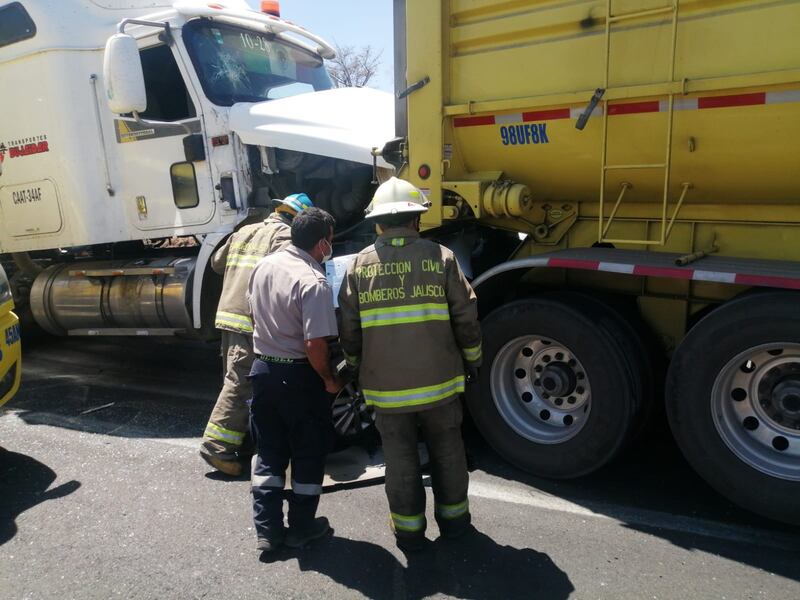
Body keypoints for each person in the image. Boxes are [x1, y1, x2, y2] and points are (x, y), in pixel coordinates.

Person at [338, 177, 483, 552]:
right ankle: (455, 524)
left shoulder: (358, 267)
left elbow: (349, 330)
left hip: (386, 389)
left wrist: (353, 365)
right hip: (440, 384)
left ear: (377, 224)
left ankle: (409, 533)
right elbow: (466, 318)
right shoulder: (442, 258)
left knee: (400, 458)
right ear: (417, 220)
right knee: (448, 450)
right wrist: (474, 360)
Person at [247, 206, 344, 553]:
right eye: (330, 243)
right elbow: (314, 344)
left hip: (263, 372)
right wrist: (329, 379)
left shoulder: (264, 266)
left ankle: (268, 531)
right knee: (307, 453)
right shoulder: (313, 281)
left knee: (269, 453)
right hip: (299, 377)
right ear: (322, 244)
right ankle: (302, 528)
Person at [200, 193, 314, 476]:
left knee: (235, 379)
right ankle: (217, 447)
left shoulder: (246, 230)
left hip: (227, 317)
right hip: (251, 320)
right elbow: (286, 274)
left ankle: (241, 443)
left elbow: (216, 263)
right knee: (241, 384)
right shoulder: (285, 237)